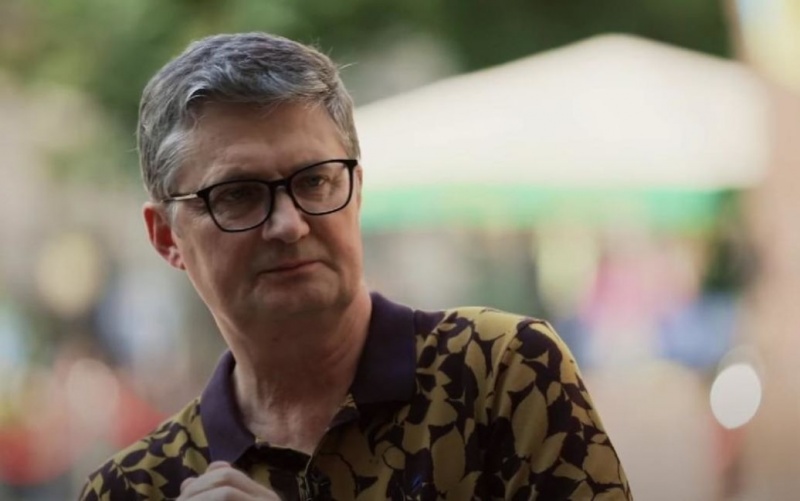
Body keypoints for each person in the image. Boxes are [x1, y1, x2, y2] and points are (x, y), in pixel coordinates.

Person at [79, 32, 632, 500]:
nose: (290, 224)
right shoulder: (134, 489)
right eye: (239, 195)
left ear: (357, 190)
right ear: (166, 236)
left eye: (315, 181)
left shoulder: (499, 372)